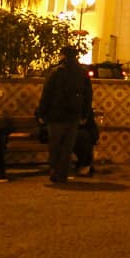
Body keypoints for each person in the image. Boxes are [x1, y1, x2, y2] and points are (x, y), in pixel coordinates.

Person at [36, 45, 93, 183]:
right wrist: (84, 114)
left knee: (55, 145)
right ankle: (62, 174)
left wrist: (41, 113)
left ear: (63, 56)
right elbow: (88, 96)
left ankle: (55, 171)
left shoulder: (56, 72)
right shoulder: (82, 73)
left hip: (56, 115)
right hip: (74, 115)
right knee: (67, 147)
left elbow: (47, 94)